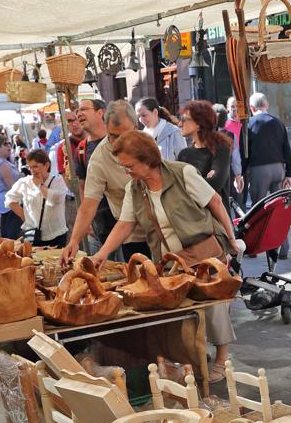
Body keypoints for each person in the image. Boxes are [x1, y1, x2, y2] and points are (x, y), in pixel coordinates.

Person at [88, 131, 239, 379]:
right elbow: (125, 224)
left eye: (130, 165)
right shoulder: (134, 188)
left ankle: (222, 360)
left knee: (213, 307)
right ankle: (191, 358)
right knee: (178, 309)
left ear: (147, 159)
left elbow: (216, 202)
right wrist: (102, 254)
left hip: (204, 251)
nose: (127, 170)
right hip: (172, 260)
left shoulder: (182, 173)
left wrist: (231, 240)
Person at [58, 99, 145, 265]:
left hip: (160, 229)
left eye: (124, 135)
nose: (118, 142)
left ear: (135, 127)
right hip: (130, 235)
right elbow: (89, 203)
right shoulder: (99, 159)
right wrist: (75, 240)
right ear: (107, 128)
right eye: (113, 136)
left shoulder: (147, 144)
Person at [243, 93, 291, 255]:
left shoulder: (249, 124)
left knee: (257, 209)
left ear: (252, 108)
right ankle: (282, 249)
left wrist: (242, 174)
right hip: (278, 168)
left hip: (259, 170)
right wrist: (289, 172)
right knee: (280, 208)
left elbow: (244, 152)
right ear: (266, 106)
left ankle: (254, 248)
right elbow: (287, 149)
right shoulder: (278, 123)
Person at [177, 100, 234, 214]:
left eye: (184, 119)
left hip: (218, 221)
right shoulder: (184, 154)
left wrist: (189, 185)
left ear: (198, 124)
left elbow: (215, 183)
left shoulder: (220, 148)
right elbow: (178, 189)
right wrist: (204, 179)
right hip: (192, 219)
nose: (179, 124)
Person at [6, 148, 69, 247]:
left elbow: (56, 200)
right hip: (33, 233)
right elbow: (10, 200)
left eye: (35, 166)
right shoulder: (25, 182)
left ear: (46, 165)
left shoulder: (57, 181)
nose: (32, 170)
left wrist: (40, 186)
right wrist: (25, 216)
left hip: (56, 233)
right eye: (30, 167)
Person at [0, 134, 22, 239]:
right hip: (11, 204)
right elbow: (13, 187)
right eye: (5, 144)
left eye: (9, 143)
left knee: (7, 235)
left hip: (5, 203)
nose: (9, 146)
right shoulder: (2, 164)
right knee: (13, 236)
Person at [214, 104, 244, 198]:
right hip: (227, 173)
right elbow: (235, 158)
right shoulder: (230, 135)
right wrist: (238, 175)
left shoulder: (206, 136)